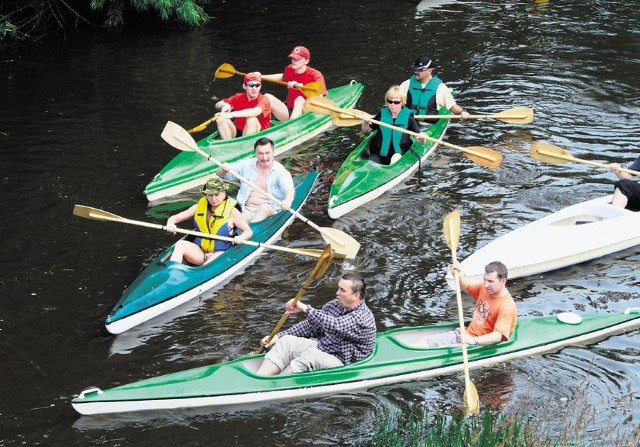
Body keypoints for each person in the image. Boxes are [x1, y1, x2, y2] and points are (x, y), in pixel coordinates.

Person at [256, 273, 377, 375]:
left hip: (343, 362)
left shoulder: (363, 317)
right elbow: (311, 326)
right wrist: (277, 337)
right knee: (286, 341)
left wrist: (305, 308)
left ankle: (276, 384)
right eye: (338, 288)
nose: (337, 293)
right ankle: (259, 378)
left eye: (342, 290)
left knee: (311, 356)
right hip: (325, 348)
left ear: (356, 296)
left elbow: (336, 325)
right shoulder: (335, 304)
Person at [412, 261, 517, 347]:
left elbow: (498, 335)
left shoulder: (506, 306)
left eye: (490, 281)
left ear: (503, 281)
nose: (486, 284)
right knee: (423, 341)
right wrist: (457, 273)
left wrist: (474, 340)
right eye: (484, 279)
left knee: (424, 343)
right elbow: (467, 287)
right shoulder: (484, 289)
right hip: (465, 334)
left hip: (474, 342)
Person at [165, 176, 253, 265]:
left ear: (224, 193)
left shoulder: (232, 212)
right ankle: (171, 272)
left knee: (207, 265)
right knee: (180, 244)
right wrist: (170, 223)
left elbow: (248, 231)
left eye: (217, 194)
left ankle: (203, 270)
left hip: (220, 252)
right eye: (210, 195)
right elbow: (175, 217)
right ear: (205, 195)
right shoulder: (198, 208)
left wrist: (241, 238)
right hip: (200, 251)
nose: (213, 199)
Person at [216, 137, 295, 222]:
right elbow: (221, 175)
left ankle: (250, 231)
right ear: (256, 153)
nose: (264, 157)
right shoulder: (246, 164)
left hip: (269, 210)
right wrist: (223, 169)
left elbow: (289, 189)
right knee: (221, 201)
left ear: (273, 152)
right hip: (244, 209)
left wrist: (287, 201)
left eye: (267, 153)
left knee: (265, 208)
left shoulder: (280, 170)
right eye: (260, 153)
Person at [361, 85, 428, 165]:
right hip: (380, 154)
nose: (392, 105)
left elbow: (420, 141)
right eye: (390, 101)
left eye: (396, 102)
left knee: (395, 158)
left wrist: (422, 138)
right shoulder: (382, 114)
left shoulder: (408, 118)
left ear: (402, 102)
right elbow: (365, 130)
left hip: (398, 154)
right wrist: (365, 121)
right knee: (370, 164)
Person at [399, 56, 470, 127]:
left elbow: (452, 106)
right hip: (407, 122)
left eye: (420, 70)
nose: (416, 72)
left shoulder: (440, 88)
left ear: (429, 71)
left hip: (426, 125)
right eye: (415, 69)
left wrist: (462, 111)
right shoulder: (406, 84)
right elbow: (396, 101)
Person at [263, 45, 328, 121]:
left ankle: (291, 128)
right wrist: (260, 76)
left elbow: (319, 100)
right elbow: (282, 77)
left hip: (308, 113)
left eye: (297, 59)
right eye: (293, 58)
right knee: (267, 97)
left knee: (299, 99)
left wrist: (301, 89)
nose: (293, 61)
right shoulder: (289, 69)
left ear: (306, 61)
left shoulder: (316, 75)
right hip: (290, 110)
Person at [213, 72, 272, 140]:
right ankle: (228, 145)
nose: (254, 88)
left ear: (260, 86)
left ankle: (244, 146)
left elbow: (255, 112)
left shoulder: (264, 99)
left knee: (252, 119)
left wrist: (231, 114)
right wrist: (226, 105)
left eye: (257, 85)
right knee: (221, 118)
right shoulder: (238, 97)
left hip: (259, 134)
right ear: (244, 86)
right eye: (251, 85)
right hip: (239, 131)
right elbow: (217, 105)